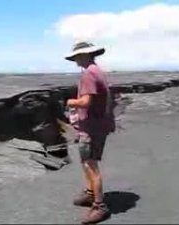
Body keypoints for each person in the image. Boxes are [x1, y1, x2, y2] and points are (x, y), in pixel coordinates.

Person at [65, 42, 115, 224]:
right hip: (98, 125)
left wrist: (71, 102)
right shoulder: (97, 70)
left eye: (78, 56)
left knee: (90, 165)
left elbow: (85, 102)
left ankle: (99, 206)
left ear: (86, 55)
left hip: (92, 128)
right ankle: (90, 193)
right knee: (86, 162)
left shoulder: (88, 75)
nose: (76, 60)